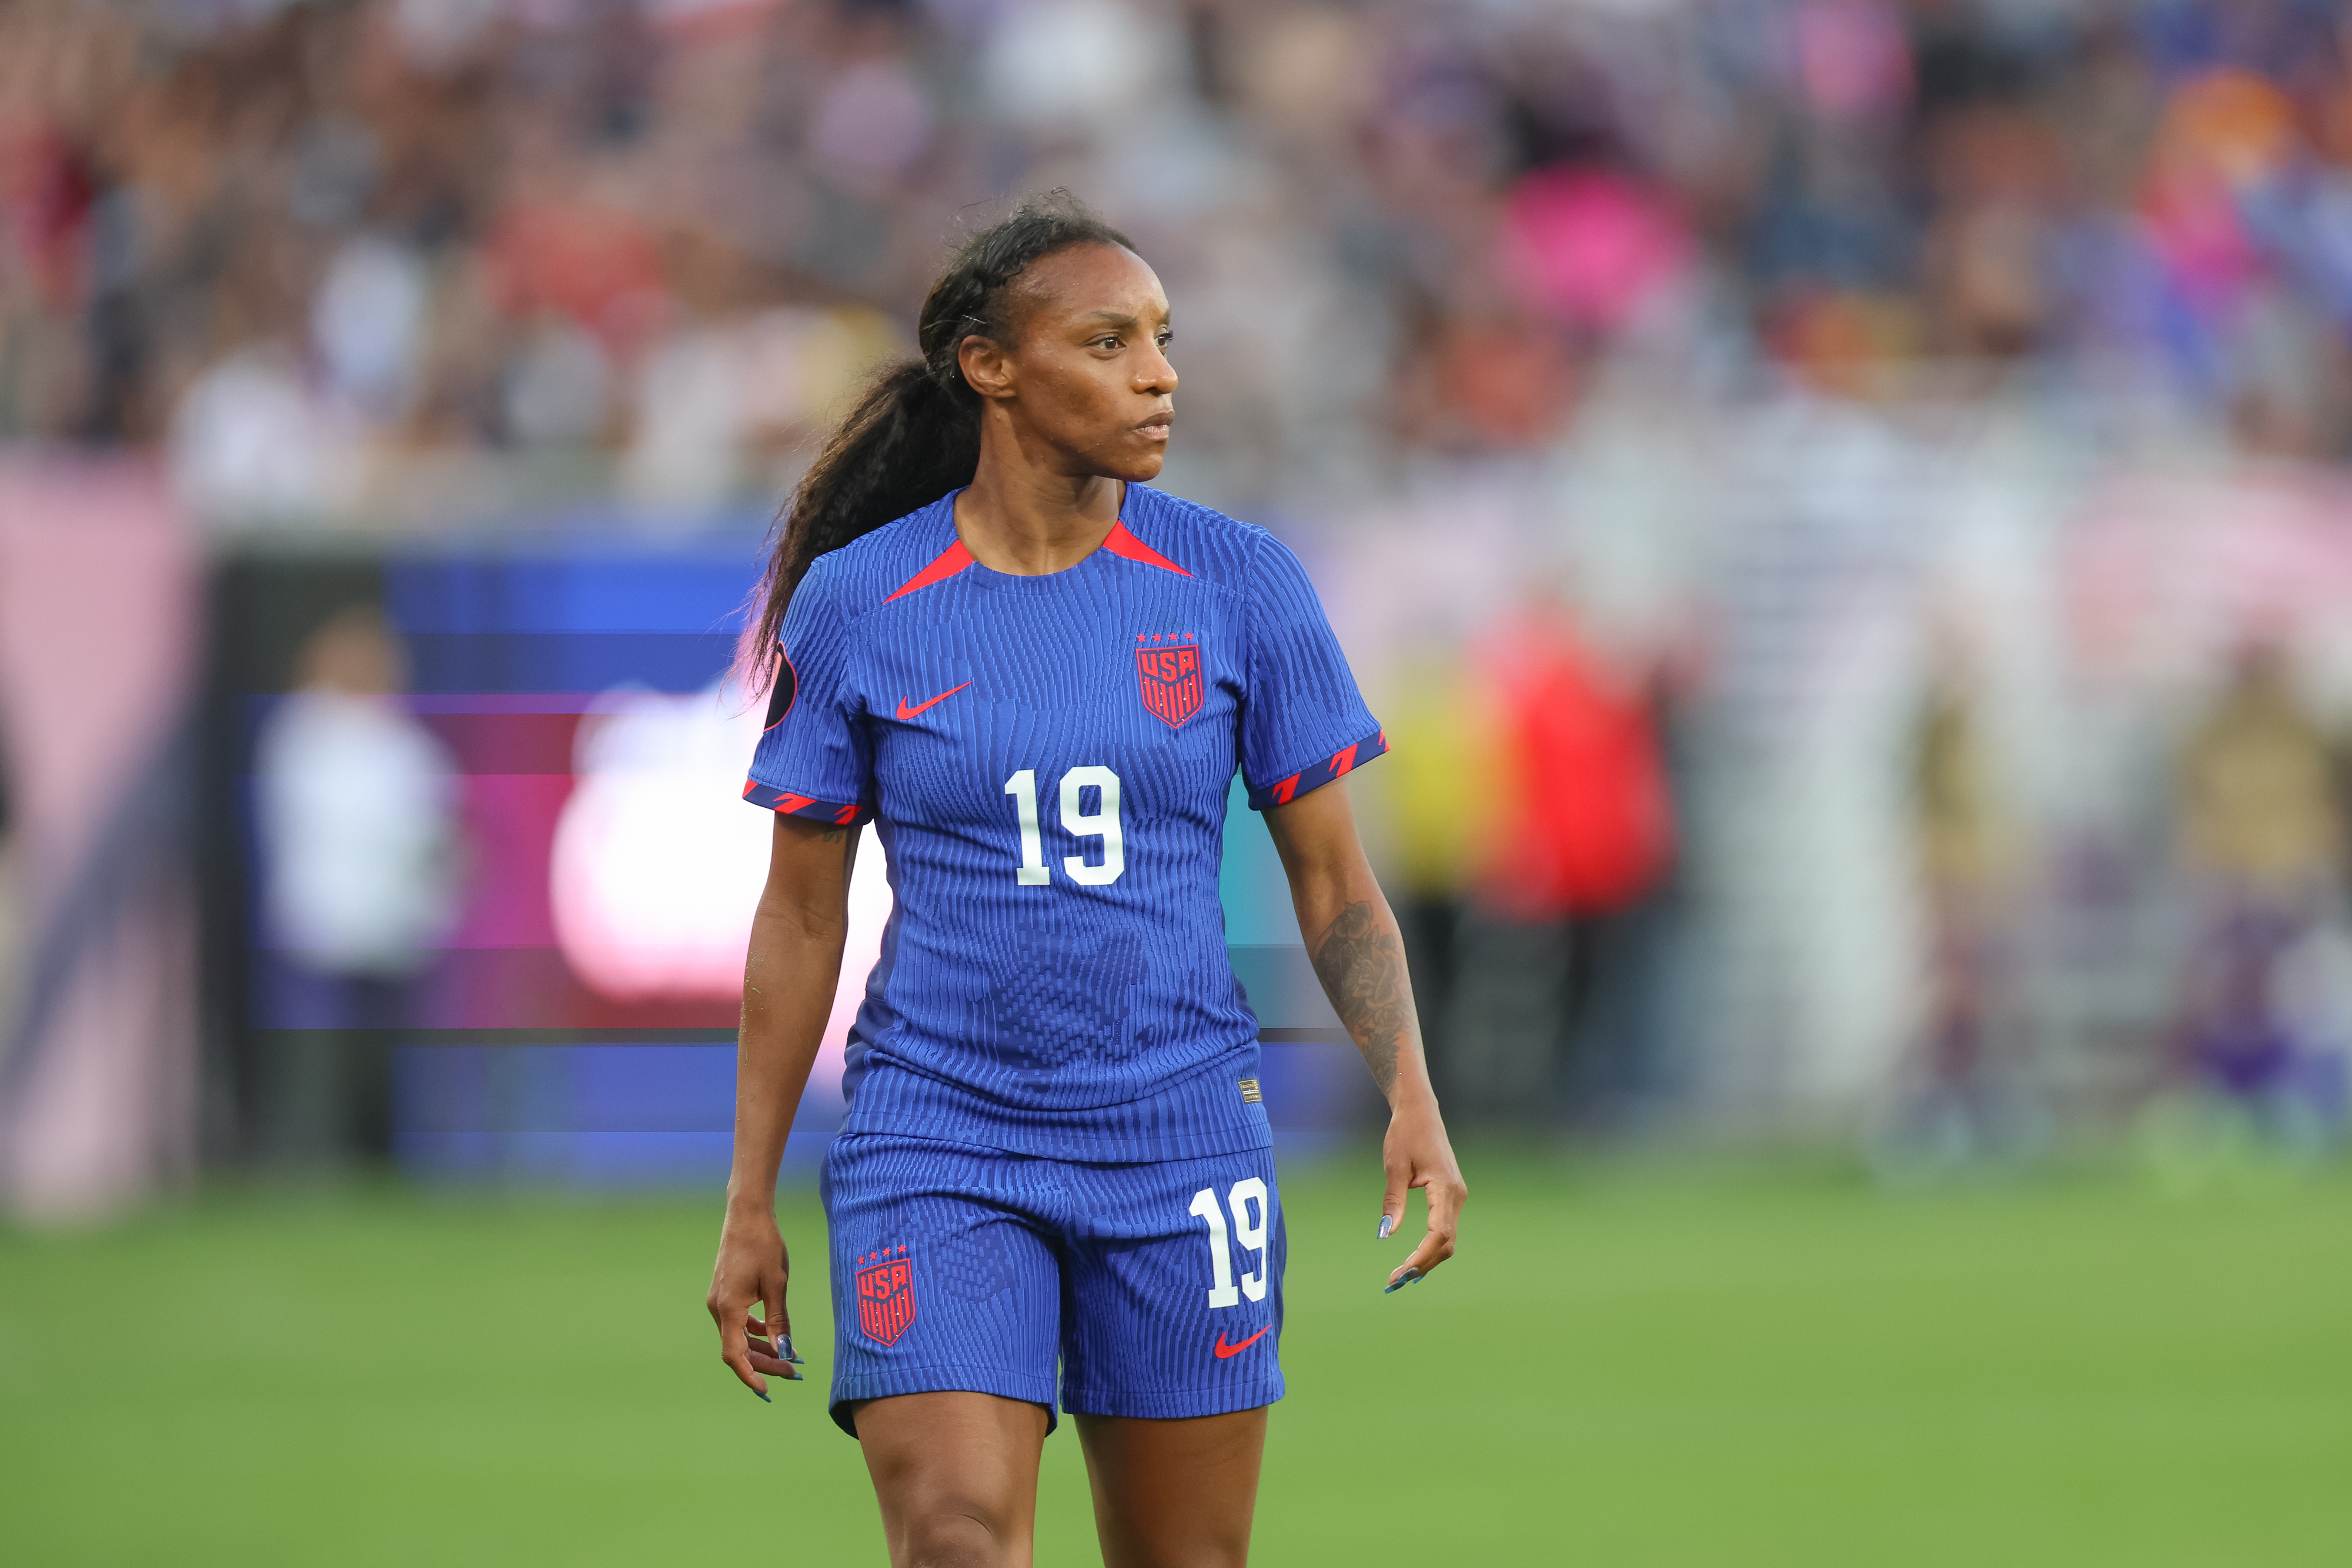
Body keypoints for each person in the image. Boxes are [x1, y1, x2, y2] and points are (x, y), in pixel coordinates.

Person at [705, 192, 1467, 1567]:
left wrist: (1408, 1086)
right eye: (1110, 341)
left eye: (1163, 339)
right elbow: (801, 911)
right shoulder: (859, 600)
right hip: (937, 1138)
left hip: (1180, 1139)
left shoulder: (1240, 584)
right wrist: (749, 1193)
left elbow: (1337, 886)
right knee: (953, 1535)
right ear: (990, 366)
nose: (1160, 372)